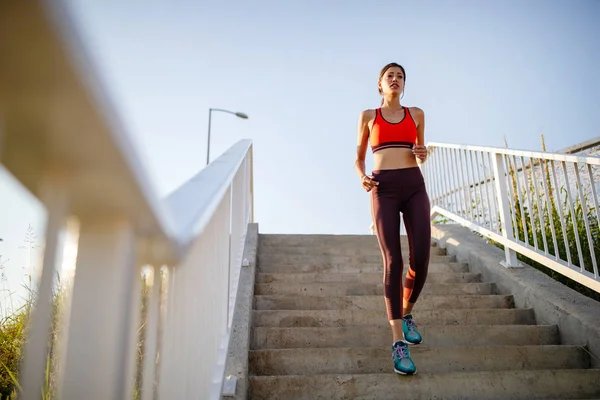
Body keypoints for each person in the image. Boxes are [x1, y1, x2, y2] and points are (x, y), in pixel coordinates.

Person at [354, 62, 430, 376]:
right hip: (382, 188)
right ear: (380, 85)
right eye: (390, 76)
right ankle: (398, 341)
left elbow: (420, 149)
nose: (395, 79)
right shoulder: (369, 116)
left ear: (404, 84)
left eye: (400, 76)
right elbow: (359, 157)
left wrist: (423, 153)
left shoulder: (417, 114)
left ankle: (407, 311)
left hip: (413, 185)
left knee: (422, 256)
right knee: (392, 260)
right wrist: (362, 177)